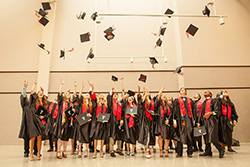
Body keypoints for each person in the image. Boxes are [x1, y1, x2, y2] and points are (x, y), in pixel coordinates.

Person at [53, 79, 76, 159]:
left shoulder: (71, 104)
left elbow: (72, 113)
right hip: (61, 121)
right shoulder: (61, 102)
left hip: (69, 122)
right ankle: (58, 151)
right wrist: (61, 85)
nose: (68, 95)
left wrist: (73, 111)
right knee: (60, 136)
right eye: (67, 94)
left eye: (69, 94)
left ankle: (64, 151)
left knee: (66, 137)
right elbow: (59, 94)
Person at [199, 91, 224, 158]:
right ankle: (208, 151)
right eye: (204, 92)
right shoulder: (204, 102)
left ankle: (221, 149)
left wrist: (210, 113)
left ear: (210, 94)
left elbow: (217, 110)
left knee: (212, 137)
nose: (205, 92)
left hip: (212, 121)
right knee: (206, 137)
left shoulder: (214, 100)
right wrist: (199, 122)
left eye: (207, 92)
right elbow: (201, 113)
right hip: (205, 121)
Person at [74, 81, 95, 158]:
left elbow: (92, 111)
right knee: (80, 136)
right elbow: (79, 96)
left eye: (87, 94)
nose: (86, 95)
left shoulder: (91, 104)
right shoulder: (81, 103)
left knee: (86, 136)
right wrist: (82, 87)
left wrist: (92, 88)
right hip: (81, 121)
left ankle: (86, 151)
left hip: (88, 122)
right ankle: (79, 150)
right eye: (85, 94)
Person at [173, 87, 195, 158]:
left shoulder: (190, 100)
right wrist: (174, 120)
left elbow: (193, 111)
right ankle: (179, 153)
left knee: (189, 135)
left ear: (186, 92)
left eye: (183, 90)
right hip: (180, 120)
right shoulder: (176, 100)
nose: (182, 91)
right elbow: (174, 111)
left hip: (188, 119)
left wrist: (194, 120)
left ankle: (190, 152)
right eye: (181, 90)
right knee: (180, 135)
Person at [18, 80, 37, 158]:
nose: (27, 98)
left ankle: (35, 151)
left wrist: (34, 84)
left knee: (34, 137)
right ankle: (26, 151)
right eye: (26, 98)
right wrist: (25, 87)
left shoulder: (32, 105)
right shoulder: (24, 105)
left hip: (33, 123)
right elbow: (23, 94)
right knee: (26, 138)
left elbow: (32, 93)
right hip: (26, 122)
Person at [155, 85, 174, 157]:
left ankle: (166, 151)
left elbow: (171, 114)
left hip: (167, 123)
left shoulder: (169, 105)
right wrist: (162, 89)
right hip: (160, 123)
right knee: (160, 137)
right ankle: (161, 151)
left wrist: (169, 120)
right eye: (163, 96)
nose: (164, 97)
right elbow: (158, 96)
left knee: (167, 137)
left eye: (164, 97)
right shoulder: (158, 105)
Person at [107, 88, 124, 157]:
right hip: (112, 121)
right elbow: (109, 99)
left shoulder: (119, 103)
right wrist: (111, 92)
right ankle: (111, 150)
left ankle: (119, 149)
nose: (115, 96)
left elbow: (122, 112)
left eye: (116, 95)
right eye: (114, 95)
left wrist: (122, 119)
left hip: (119, 121)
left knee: (119, 135)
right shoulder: (111, 103)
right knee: (112, 135)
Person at [138, 88, 156, 158]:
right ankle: (147, 150)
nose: (147, 92)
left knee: (150, 134)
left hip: (151, 120)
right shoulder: (144, 101)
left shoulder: (152, 101)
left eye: (148, 92)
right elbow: (141, 102)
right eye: (146, 92)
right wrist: (144, 94)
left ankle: (148, 147)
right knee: (146, 133)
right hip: (145, 119)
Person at [90, 93, 108, 158]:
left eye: (102, 95)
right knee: (96, 136)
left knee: (103, 136)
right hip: (97, 121)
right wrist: (92, 88)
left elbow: (107, 113)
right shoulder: (96, 103)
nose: (101, 95)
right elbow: (93, 98)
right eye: (100, 94)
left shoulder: (106, 104)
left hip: (103, 122)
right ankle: (95, 151)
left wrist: (105, 119)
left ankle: (101, 150)